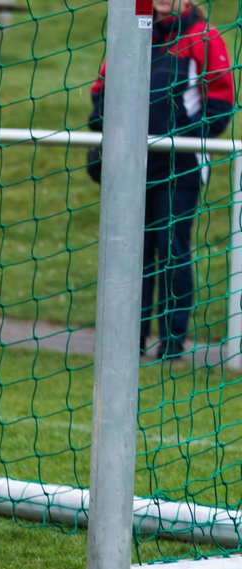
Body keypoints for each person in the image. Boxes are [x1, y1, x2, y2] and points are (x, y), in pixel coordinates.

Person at [88, 0, 235, 364]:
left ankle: (172, 342)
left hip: (179, 166)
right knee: (130, 254)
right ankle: (128, 340)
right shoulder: (127, 32)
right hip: (128, 167)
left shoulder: (204, 37)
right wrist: (111, 124)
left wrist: (172, 138)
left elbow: (220, 104)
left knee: (172, 251)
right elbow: (101, 93)